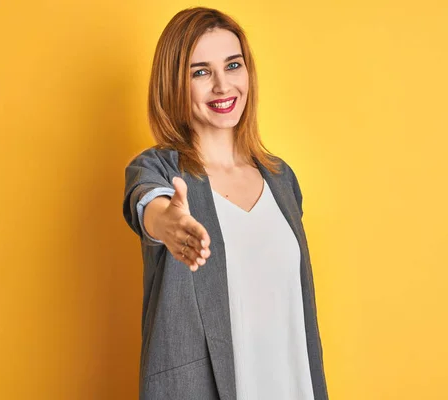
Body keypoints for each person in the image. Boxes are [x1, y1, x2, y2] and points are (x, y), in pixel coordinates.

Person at [123, 7, 328, 400]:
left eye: (232, 65)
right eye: (200, 72)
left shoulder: (281, 179)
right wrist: (167, 223)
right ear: (173, 83)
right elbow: (146, 203)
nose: (222, 85)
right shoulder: (159, 170)